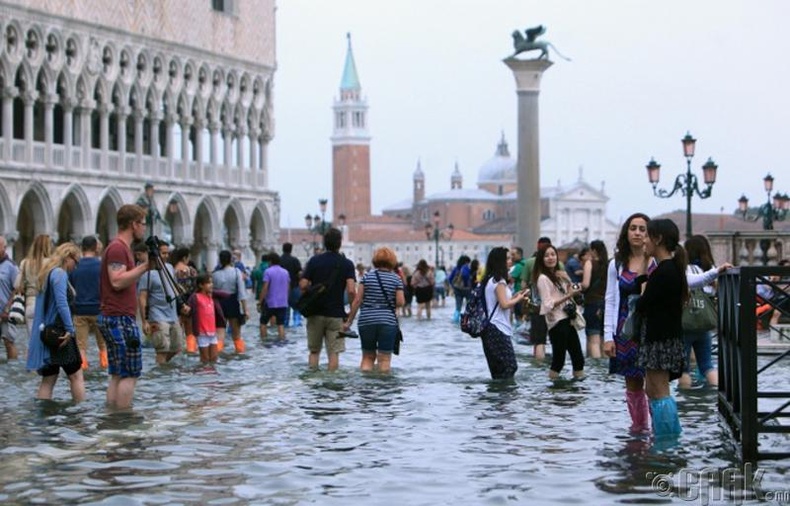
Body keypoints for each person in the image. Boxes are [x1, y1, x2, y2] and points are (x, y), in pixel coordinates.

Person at [634, 219, 688, 439]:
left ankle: (667, 440)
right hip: (664, 336)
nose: (643, 240)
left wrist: (643, 274)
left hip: (660, 338)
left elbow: (642, 304)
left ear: (658, 239)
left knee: (659, 391)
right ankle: (664, 436)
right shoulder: (670, 269)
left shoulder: (664, 272)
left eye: (647, 235)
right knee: (654, 390)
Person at [603, 213, 655, 434]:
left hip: (652, 328)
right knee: (632, 383)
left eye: (642, 229)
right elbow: (611, 300)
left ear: (649, 234)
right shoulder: (616, 264)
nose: (637, 233)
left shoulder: (656, 262)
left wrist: (712, 274)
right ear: (626, 232)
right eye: (633, 228)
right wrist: (607, 337)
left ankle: (658, 430)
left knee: (655, 383)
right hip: (625, 329)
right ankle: (639, 428)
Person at [97, 204, 150, 409]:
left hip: (113, 316)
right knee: (130, 373)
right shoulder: (118, 248)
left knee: (118, 373)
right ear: (133, 224)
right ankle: (123, 419)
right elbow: (117, 281)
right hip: (119, 317)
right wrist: (144, 267)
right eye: (143, 224)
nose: (144, 229)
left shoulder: (119, 248)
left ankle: (112, 417)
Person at [26, 242, 85, 402]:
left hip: (49, 334)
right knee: (76, 375)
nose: (76, 266)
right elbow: (61, 303)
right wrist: (70, 330)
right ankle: (81, 412)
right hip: (61, 334)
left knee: (49, 378)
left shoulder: (48, 273)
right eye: (76, 261)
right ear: (68, 257)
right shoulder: (59, 273)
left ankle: (43, 417)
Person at [678, 235, 732, 388]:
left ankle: (686, 399)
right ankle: (719, 393)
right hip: (704, 324)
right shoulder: (711, 268)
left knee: (684, 368)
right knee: (707, 365)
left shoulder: (687, 269)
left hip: (686, 323)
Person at [299, 228, 356, 371]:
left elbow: (303, 285)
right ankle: (332, 384)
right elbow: (351, 290)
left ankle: (312, 381)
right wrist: (350, 311)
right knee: (333, 353)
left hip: (315, 313)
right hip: (336, 314)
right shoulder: (347, 264)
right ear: (340, 243)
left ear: (324, 243)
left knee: (314, 351)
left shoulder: (314, 261)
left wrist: (313, 290)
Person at [343, 247, 405, 373]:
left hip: (366, 321)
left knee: (367, 357)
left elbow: (357, 301)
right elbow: (400, 302)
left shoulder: (366, 277)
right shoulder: (396, 279)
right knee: (384, 359)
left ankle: (367, 385)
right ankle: (382, 386)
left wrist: (349, 322)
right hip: (387, 322)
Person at [534, 244, 585, 380]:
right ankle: (555, 392)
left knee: (578, 358)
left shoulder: (558, 275)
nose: (551, 258)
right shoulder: (543, 278)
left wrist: (568, 279)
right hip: (557, 322)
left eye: (553, 254)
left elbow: (574, 292)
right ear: (541, 259)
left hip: (568, 319)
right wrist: (568, 296)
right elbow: (548, 304)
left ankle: (578, 393)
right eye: (546, 255)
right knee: (559, 361)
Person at [480, 247, 530, 380]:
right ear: (499, 262)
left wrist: (515, 296)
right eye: (507, 258)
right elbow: (504, 304)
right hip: (497, 328)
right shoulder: (499, 282)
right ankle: (504, 397)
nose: (511, 260)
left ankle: (499, 398)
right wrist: (518, 299)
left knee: (499, 369)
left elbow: (501, 303)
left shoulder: (491, 280)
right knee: (509, 366)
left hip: (492, 328)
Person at [138, 240, 185, 364]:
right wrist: (144, 321)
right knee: (162, 349)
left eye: (167, 253)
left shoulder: (169, 267)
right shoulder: (147, 273)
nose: (166, 256)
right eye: (163, 253)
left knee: (178, 347)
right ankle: (160, 374)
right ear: (155, 253)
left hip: (173, 316)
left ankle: (163, 368)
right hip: (157, 316)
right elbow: (142, 298)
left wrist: (182, 306)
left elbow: (173, 288)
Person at [520, 237, 563, 361]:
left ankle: (539, 366)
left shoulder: (529, 263)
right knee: (557, 341)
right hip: (556, 307)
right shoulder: (558, 263)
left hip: (537, 306)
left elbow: (523, 285)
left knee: (539, 341)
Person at [68, 235, 108, 369]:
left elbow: (71, 286)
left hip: (80, 310)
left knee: (81, 345)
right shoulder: (102, 266)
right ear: (96, 248)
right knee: (103, 344)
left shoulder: (75, 266)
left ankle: (82, 368)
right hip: (99, 310)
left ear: (81, 248)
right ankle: (104, 366)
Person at [15, 234, 53, 337]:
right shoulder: (51, 263)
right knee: (45, 342)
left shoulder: (25, 263)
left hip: (30, 304)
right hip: (46, 304)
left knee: (32, 342)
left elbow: (17, 284)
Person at [212, 250, 248, 354]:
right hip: (232, 302)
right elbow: (241, 292)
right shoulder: (237, 272)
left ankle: (217, 355)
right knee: (236, 334)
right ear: (230, 260)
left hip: (219, 304)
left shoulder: (215, 274)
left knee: (220, 333)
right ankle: (239, 353)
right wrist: (245, 310)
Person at [188, 273, 225, 366]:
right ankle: (203, 375)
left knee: (214, 358)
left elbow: (226, 295)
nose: (211, 284)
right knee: (205, 359)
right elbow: (188, 310)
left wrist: (213, 292)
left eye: (212, 282)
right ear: (201, 285)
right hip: (202, 333)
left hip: (212, 332)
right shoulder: (195, 297)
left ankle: (212, 376)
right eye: (208, 283)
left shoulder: (212, 297)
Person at [581, 240, 609, 358]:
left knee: (593, 339)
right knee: (604, 340)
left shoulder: (589, 263)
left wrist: (576, 287)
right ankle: (604, 369)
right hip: (606, 304)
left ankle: (595, 370)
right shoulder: (609, 264)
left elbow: (586, 284)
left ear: (593, 250)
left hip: (592, 303)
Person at [258, 253, 290, 340]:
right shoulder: (285, 272)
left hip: (270, 302)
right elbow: (287, 287)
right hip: (283, 303)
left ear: (270, 261)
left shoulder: (268, 271)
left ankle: (264, 340)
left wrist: (260, 301)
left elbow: (265, 287)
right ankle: (282, 340)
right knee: (281, 324)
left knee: (263, 323)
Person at [171, 246, 198, 352]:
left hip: (176, 301)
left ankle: (178, 349)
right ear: (184, 257)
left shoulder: (172, 271)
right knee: (190, 330)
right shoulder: (191, 271)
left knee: (177, 326)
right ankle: (191, 350)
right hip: (189, 300)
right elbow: (196, 287)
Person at [0, 235, 20, 360]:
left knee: (8, 342)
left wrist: (8, 308)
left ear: (4, 248)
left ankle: (12, 366)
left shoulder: (11, 266)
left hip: (7, 312)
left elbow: (17, 288)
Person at [280, 242, 303, 327]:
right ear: (291, 249)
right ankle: (297, 324)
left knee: (285, 309)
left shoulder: (279, 260)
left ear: (283, 249)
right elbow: (300, 273)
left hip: (281, 288)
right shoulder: (295, 260)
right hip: (294, 286)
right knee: (297, 307)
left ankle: (285, 324)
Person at [449, 255, 472, 323]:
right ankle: (468, 320)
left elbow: (450, 279)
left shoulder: (456, 268)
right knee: (469, 306)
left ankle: (455, 321)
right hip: (467, 290)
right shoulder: (466, 268)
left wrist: (454, 286)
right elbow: (467, 276)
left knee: (458, 307)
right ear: (466, 262)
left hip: (457, 289)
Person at [509, 247, 526, 322]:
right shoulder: (525, 263)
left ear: (519, 255)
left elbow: (510, 280)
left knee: (518, 317)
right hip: (524, 293)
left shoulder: (518, 266)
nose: (512, 257)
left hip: (518, 294)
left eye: (513, 255)